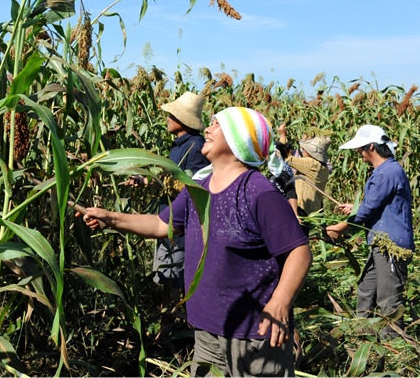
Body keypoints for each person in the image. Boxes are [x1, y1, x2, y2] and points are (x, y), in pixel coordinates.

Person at [79, 107, 311, 377]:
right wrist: (110, 217)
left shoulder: (259, 191)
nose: (207, 129)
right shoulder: (198, 189)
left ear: (239, 140)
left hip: (253, 334)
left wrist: (280, 301)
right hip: (206, 331)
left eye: (216, 124)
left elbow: (299, 251)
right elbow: (159, 224)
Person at [325, 125, 414, 334]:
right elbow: (375, 205)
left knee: (388, 303)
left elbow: (368, 209)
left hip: (390, 246)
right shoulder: (384, 171)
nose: (358, 154)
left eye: (360, 149)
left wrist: (339, 227)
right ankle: (362, 337)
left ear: (371, 147)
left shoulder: (388, 172)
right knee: (366, 291)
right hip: (379, 244)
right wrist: (354, 208)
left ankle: (394, 353)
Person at [153, 92, 209, 298]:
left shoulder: (195, 146)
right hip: (168, 217)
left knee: (175, 272)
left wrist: (167, 183)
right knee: (168, 272)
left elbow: (197, 184)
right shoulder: (179, 145)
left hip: (181, 223)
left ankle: (174, 321)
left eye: (172, 116)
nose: (167, 119)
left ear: (183, 121)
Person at [277, 124, 331, 216]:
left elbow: (285, 158)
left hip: (302, 209)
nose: (302, 149)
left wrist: (282, 136)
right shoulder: (323, 167)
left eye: (305, 148)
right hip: (312, 211)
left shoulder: (311, 164)